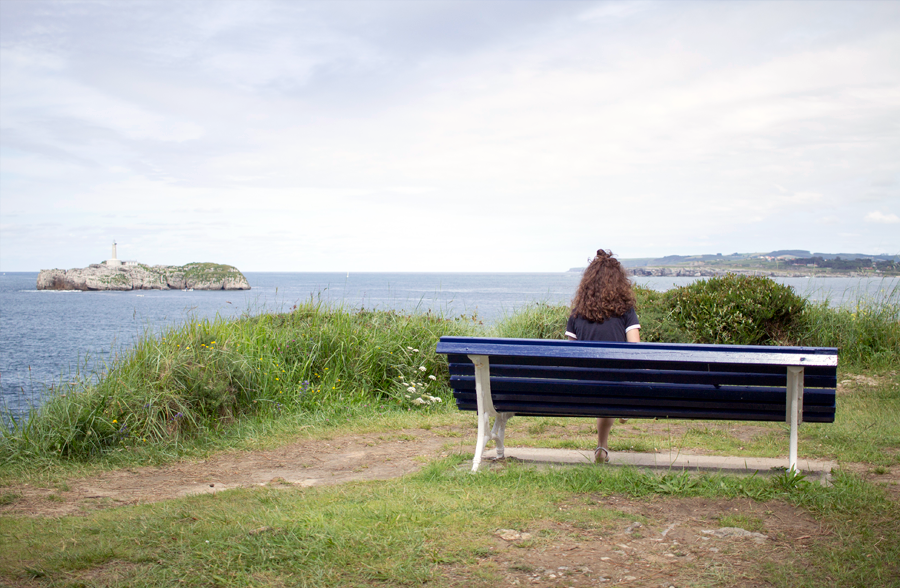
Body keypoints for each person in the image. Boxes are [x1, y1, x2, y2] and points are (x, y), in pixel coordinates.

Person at [565, 249, 641, 463]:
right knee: (612, 381)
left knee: (602, 381)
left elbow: (570, 355)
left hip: (585, 385)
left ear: (587, 283)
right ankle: (623, 406)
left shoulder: (576, 313)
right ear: (620, 282)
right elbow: (635, 348)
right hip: (617, 381)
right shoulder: (626, 310)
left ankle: (602, 447)